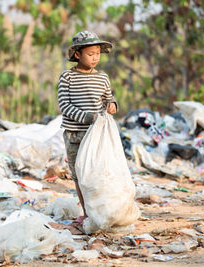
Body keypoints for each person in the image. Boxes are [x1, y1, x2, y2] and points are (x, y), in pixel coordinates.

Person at [58, 31, 117, 225]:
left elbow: (109, 98)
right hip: (75, 133)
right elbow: (64, 106)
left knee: (98, 173)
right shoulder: (67, 77)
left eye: (98, 53)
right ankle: (86, 212)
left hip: (97, 135)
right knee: (79, 176)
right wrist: (87, 117)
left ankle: (100, 211)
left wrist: (113, 105)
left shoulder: (102, 78)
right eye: (90, 54)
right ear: (77, 55)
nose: (95, 58)